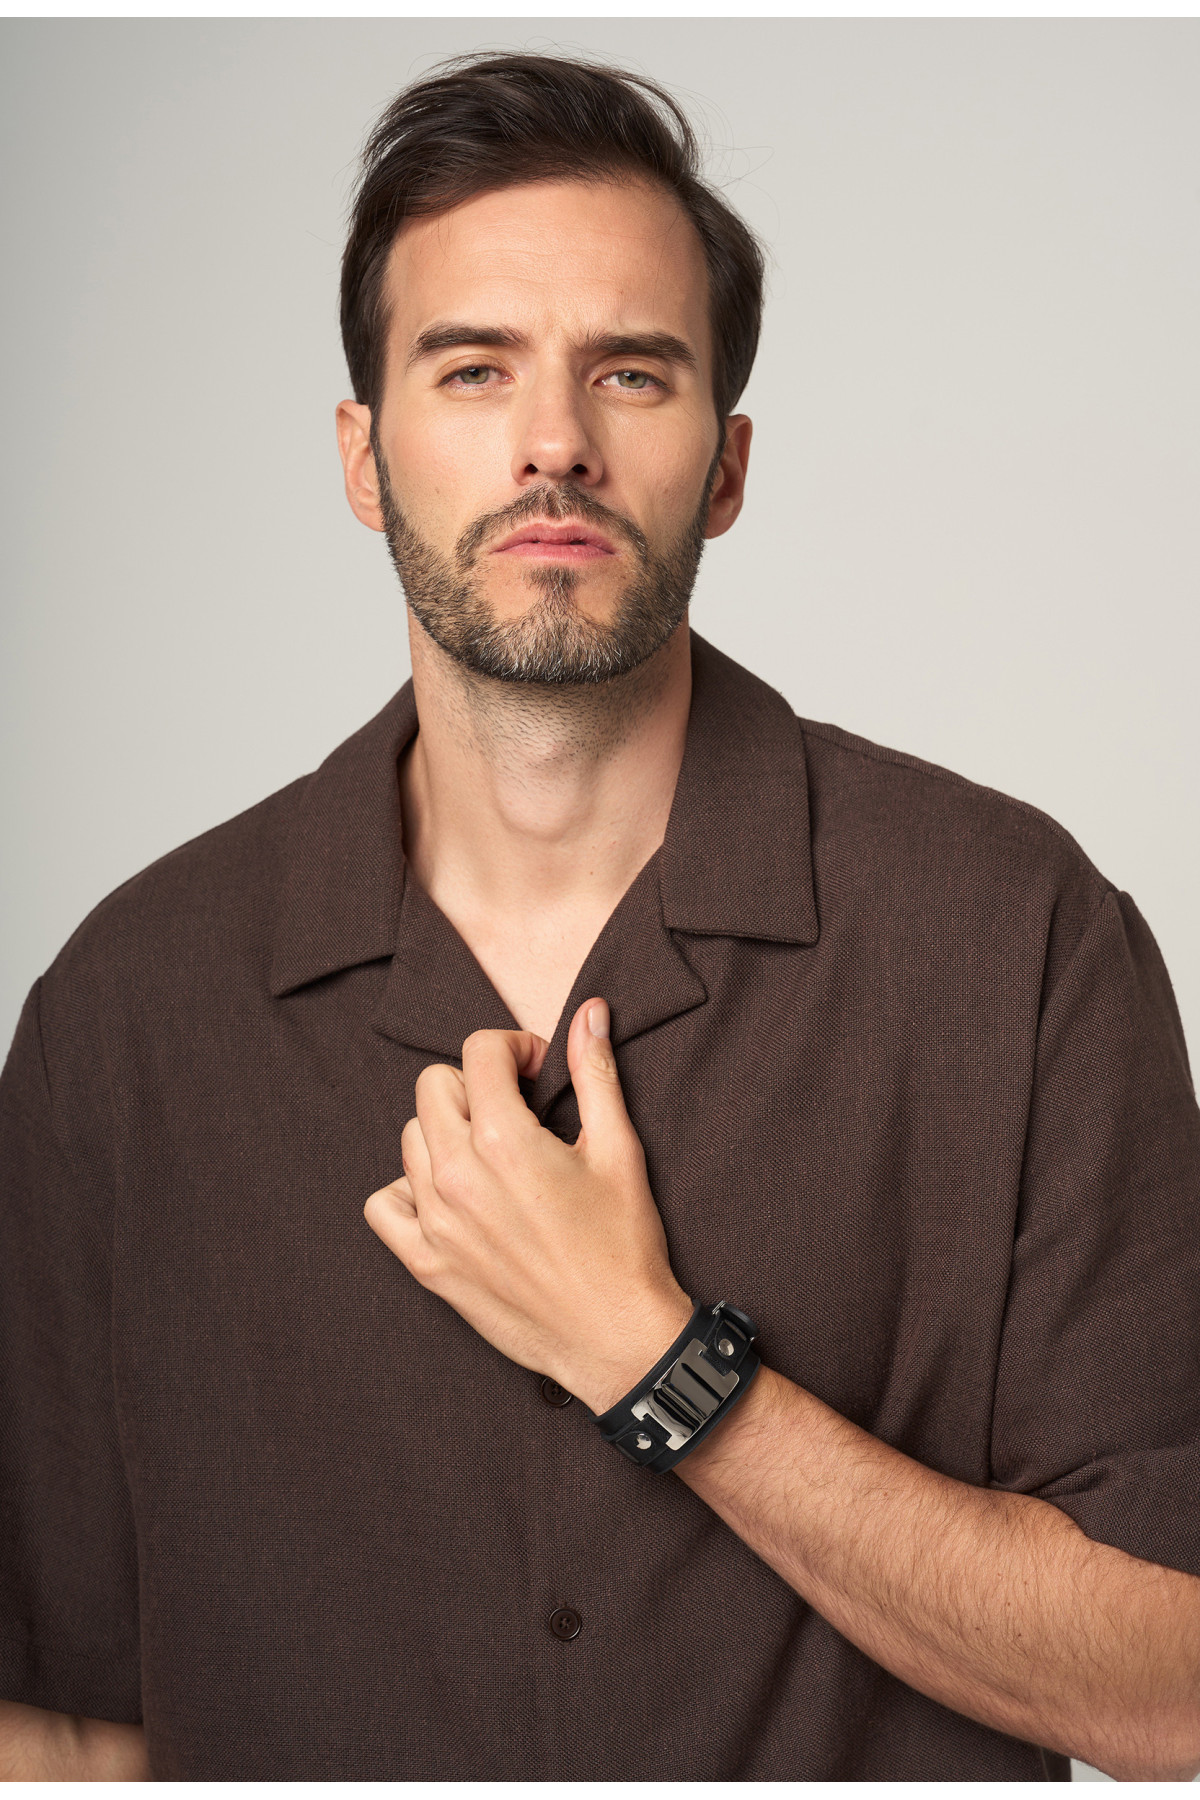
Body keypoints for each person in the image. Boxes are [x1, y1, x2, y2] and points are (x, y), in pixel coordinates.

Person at [1, 51, 1198, 1784]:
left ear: (725, 467)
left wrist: (661, 1364)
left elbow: (1173, 1681)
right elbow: (62, 1722)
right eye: (473, 368)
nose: (554, 442)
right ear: (363, 456)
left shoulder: (1018, 945)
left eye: (631, 372)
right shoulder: (128, 1011)